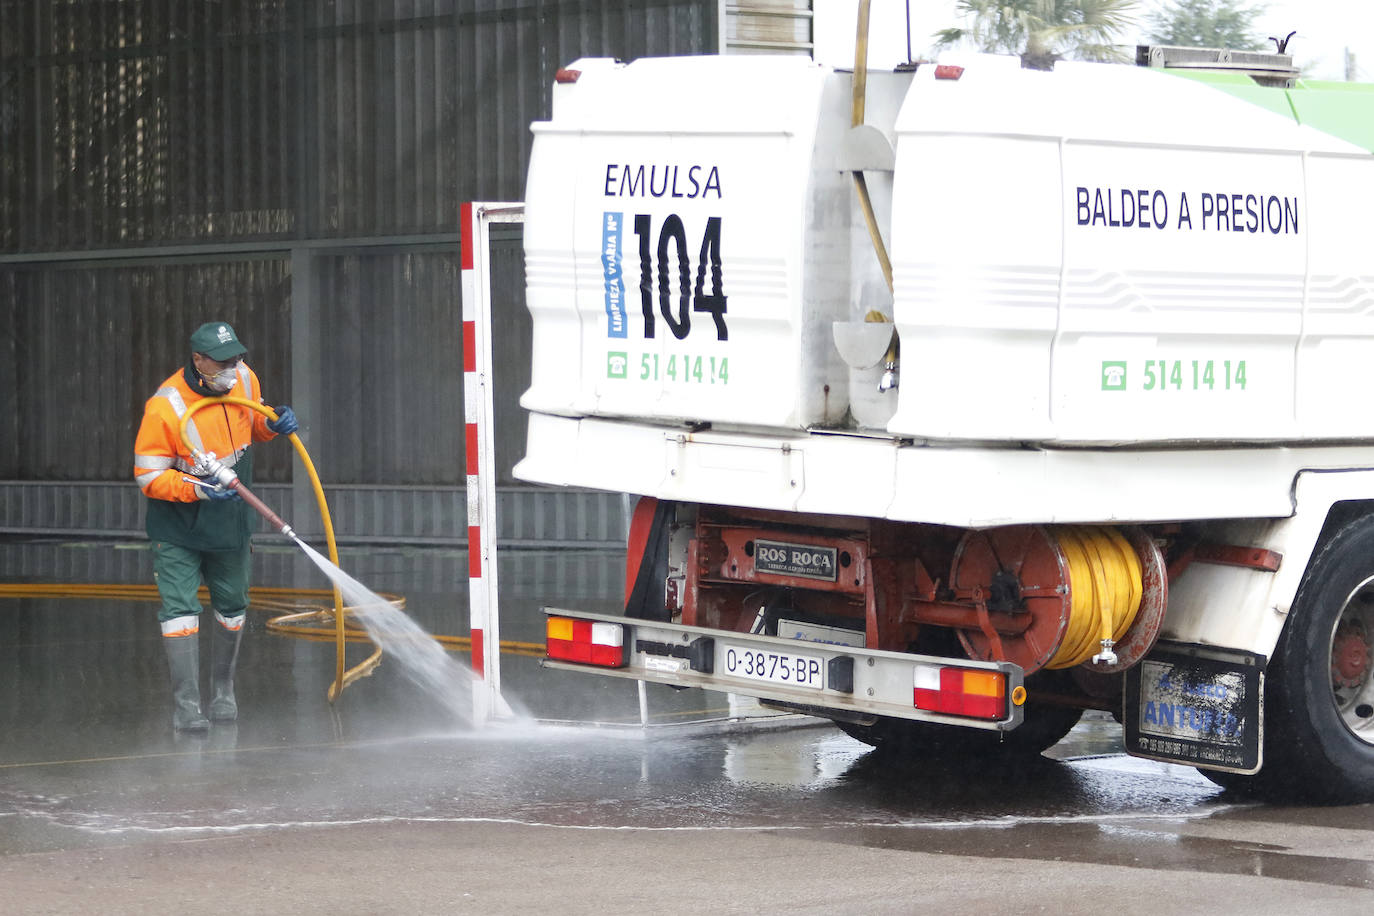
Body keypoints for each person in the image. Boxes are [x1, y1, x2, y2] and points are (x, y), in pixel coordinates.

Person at [132, 322, 299, 731]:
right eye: (224, 361)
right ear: (199, 360)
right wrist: (198, 491)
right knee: (180, 613)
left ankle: (224, 691)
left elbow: (250, 427)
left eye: (238, 357)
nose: (234, 366)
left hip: (231, 521)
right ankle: (187, 707)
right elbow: (147, 476)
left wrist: (271, 426)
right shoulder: (166, 405)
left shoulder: (244, 378)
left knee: (232, 605)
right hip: (178, 526)